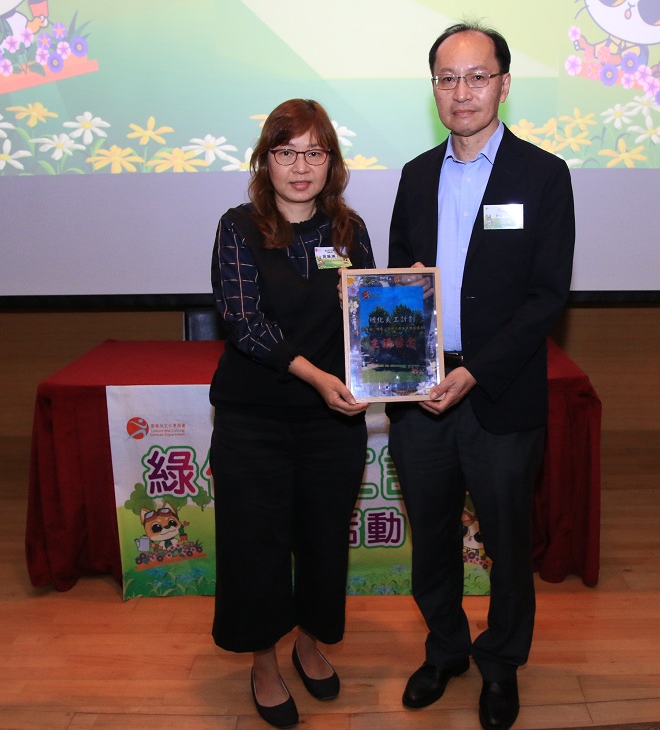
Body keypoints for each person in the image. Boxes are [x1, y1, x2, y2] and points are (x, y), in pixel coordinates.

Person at [387, 22, 576, 730]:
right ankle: (445, 649)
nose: (461, 92)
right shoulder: (415, 175)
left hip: (500, 393)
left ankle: (500, 666)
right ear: (433, 88)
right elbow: (398, 281)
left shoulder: (543, 175)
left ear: (503, 83)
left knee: (506, 544)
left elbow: (547, 297)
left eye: (476, 76)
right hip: (421, 392)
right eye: (447, 78)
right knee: (431, 537)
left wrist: (476, 372)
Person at [208, 98, 374, 729]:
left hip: (332, 421)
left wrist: (406, 304)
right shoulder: (238, 227)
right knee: (256, 546)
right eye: (286, 152)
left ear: (331, 161)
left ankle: (309, 642)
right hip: (255, 420)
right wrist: (317, 376)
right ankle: (264, 662)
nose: (301, 167)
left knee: (325, 540)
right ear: (265, 160)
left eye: (314, 152)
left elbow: (368, 314)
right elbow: (245, 323)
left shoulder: (349, 231)